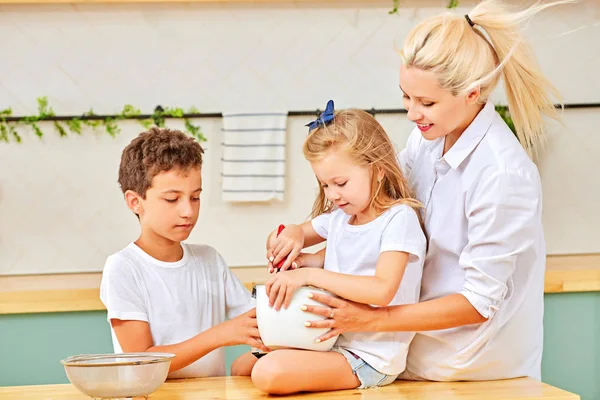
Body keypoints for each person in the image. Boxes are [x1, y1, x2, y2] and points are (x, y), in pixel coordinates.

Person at [284, 0, 571, 382]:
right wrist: (303, 237)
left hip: (473, 371)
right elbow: (375, 202)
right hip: (407, 356)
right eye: (406, 96)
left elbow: (478, 302)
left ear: (472, 92)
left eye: (427, 102)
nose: (412, 113)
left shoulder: (503, 173)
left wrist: (370, 319)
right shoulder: (427, 142)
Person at [251, 100, 427, 394]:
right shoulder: (340, 219)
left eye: (341, 183)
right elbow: (279, 237)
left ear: (378, 170)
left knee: (268, 372)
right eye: (324, 186)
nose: (333, 195)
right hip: (334, 345)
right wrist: (291, 240)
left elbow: (381, 290)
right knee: (244, 365)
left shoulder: (399, 219)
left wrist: (308, 275)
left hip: (370, 359)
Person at [99, 127, 267, 379]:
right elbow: (142, 361)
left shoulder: (209, 260)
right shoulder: (123, 268)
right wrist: (220, 335)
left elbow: (256, 321)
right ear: (135, 202)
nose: (188, 211)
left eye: (195, 197)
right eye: (172, 199)